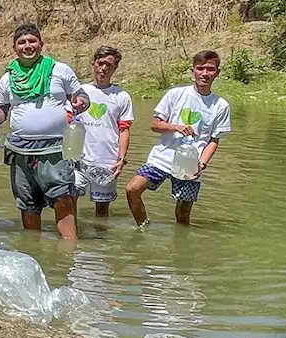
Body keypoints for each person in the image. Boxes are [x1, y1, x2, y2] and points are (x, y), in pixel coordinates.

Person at [0, 23, 89, 240]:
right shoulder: (7, 78)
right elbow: (2, 111)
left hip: (55, 148)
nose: (28, 46)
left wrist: (81, 101)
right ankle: (33, 250)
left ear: (41, 44)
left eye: (32, 41)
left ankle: (67, 252)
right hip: (20, 149)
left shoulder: (60, 70)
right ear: (14, 47)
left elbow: (81, 96)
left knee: (62, 197)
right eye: (22, 42)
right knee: (27, 203)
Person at [125, 51, 231, 226]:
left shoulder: (221, 105)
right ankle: (143, 227)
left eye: (210, 69)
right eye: (200, 68)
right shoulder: (176, 94)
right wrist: (176, 127)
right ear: (193, 71)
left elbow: (214, 140)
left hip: (191, 164)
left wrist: (202, 163)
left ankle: (181, 243)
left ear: (217, 73)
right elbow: (155, 124)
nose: (205, 73)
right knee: (132, 189)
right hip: (162, 158)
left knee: (183, 215)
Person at [76, 46, 134, 216]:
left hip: (107, 160)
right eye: (100, 63)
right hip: (79, 158)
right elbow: (67, 122)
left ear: (115, 68)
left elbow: (124, 130)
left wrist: (121, 159)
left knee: (102, 208)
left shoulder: (122, 96)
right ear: (93, 63)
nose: (104, 68)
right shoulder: (80, 91)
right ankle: (72, 236)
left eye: (109, 65)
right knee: (69, 198)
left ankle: (101, 239)